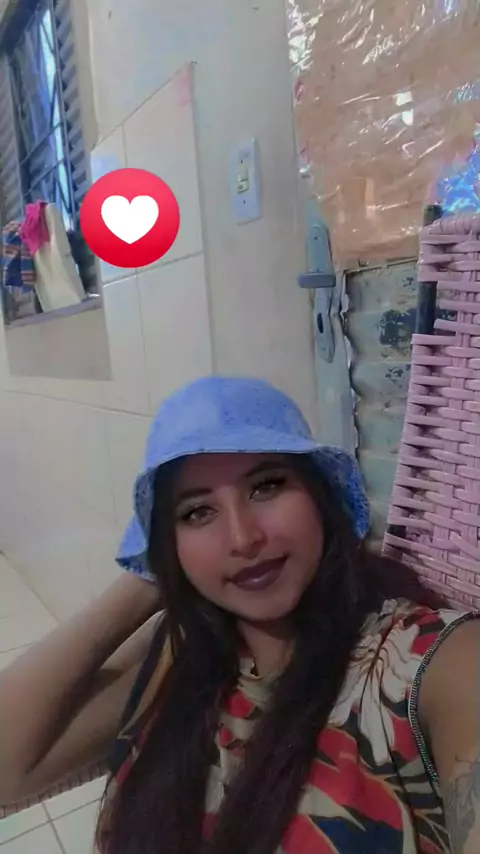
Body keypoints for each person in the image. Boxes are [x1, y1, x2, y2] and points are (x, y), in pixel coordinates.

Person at [0, 375, 479, 854]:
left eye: (266, 486)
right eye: (197, 512)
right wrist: (154, 574)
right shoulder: (177, 654)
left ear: (321, 497)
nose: (243, 539)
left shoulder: (428, 664)